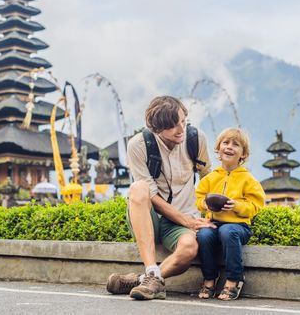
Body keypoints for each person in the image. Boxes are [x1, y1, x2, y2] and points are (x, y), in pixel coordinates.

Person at [106, 95, 213, 300]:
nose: (180, 129)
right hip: (150, 218)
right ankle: (150, 268)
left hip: (183, 221)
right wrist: (185, 220)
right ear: (156, 129)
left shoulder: (195, 138)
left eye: (183, 121)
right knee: (138, 188)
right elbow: (150, 194)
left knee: (190, 248)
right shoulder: (139, 145)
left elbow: (208, 176)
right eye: (172, 126)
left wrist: (210, 213)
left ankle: (147, 279)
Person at [195, 128, 265, 301]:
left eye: (236, 144)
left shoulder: (248, 179)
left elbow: (256, 204)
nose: (229, 147)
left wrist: (237, 206)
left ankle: (234, 279)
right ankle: (210, 278)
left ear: (243, 153)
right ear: (218, 148)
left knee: (227, 232)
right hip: (214, 222)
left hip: (239, 226)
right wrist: (205, 204)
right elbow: (198, 197)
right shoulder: (211, 177)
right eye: (225, 143)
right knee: (204, 234)